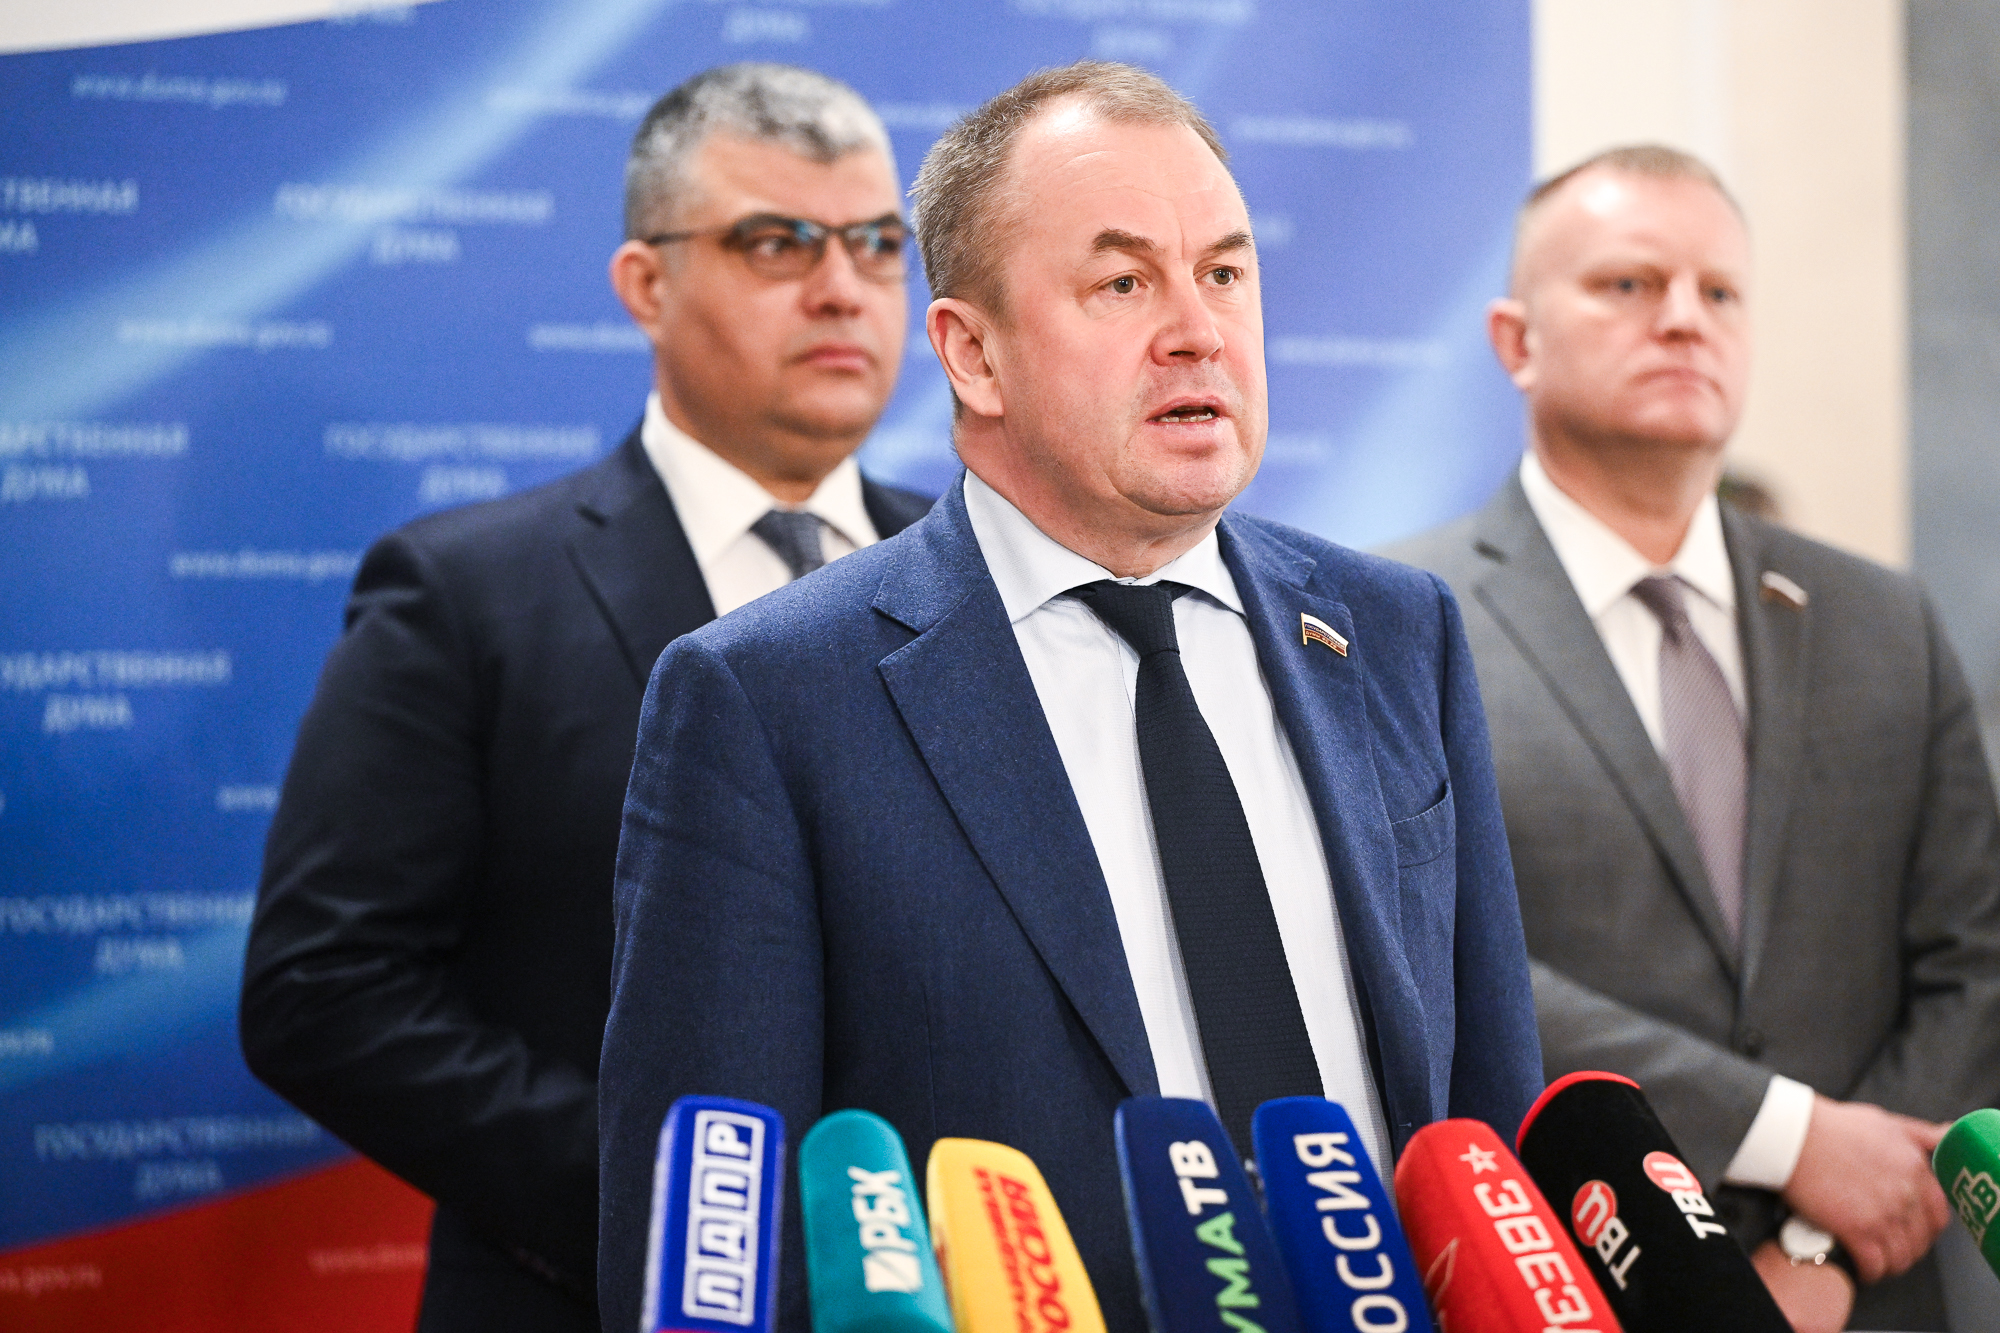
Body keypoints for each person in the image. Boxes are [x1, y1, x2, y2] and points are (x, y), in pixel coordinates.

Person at [597, 60, 1543, 1333]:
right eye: (1122, 283)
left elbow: (1489, 1127)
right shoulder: (766, 700)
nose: (1198, 330)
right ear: (970, 353)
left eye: (1223, 272)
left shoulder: (1392, 633)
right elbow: (720, 1247)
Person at [239, 63, 930, 1333]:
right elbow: (323, 992)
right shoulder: (463, 595)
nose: (842, 287)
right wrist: (680, 1220)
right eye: (776, 242)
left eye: (878, 243)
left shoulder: (980, 579)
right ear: (644, 284)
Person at [1386, 145, 2000, 1332]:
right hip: (1572, 1276)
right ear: (1514, 340)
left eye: (1718, 291)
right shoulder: (1402, 620)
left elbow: (1971, 965)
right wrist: (1789, 1134)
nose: (1682, 318)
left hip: (1868, 1293)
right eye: (1627, 284)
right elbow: (1436, 956)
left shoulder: (1885, 621)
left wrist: (1825, 1241)